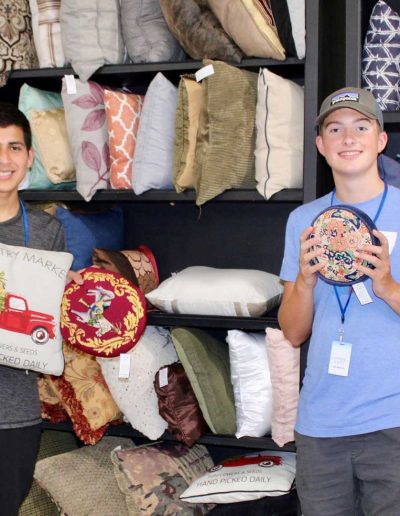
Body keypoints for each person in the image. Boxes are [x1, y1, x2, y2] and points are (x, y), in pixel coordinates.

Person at [278, 87, 400, 516]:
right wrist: (305, 282)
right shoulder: (302, 221)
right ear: (321, 145)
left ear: (381, 140)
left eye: (361, 127)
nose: (348, 138)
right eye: (335, 128)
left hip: (393, 421)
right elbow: (293, 332)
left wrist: (386, 285)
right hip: (321, 424)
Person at [0, 101, 80, 515]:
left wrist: (70, 297)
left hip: (16, 411)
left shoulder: (48, 230)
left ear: (30, 158)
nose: (4, 159)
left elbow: (53, 320)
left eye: (14, 147)